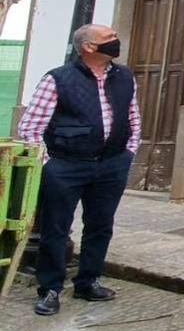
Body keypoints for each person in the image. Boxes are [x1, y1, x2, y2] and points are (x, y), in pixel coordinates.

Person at [17, 24, 141, 316]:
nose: (116, 41)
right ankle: (50, 289)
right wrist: (50, 166)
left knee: (101, 225)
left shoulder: (124, 77)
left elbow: (133, 117)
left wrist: (129, 152)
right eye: (108, 38)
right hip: (66, 166)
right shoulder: (57, 79)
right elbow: (30, 128)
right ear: (88, 47)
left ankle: (88, 281)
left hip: (111, 165)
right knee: (55, 229)